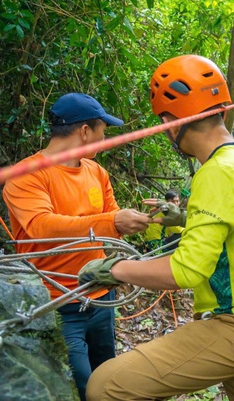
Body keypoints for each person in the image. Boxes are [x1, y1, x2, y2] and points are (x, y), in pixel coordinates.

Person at [79, 55, 234, 401]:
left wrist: (116, 269)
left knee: (105, 386)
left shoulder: (216, 171)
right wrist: (187, 219)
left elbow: (187, 270)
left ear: (171, 123)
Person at [1, 93, 153, 401]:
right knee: (83, 387)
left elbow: (112, 228)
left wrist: (144, 220)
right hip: (58, 302)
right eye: (102, 129)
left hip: (100, 298)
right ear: (85, 131)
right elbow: (42, 227)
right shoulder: (26, 176)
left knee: (109, 377)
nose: (104, 136)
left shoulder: (97, 173)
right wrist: (112, 221)